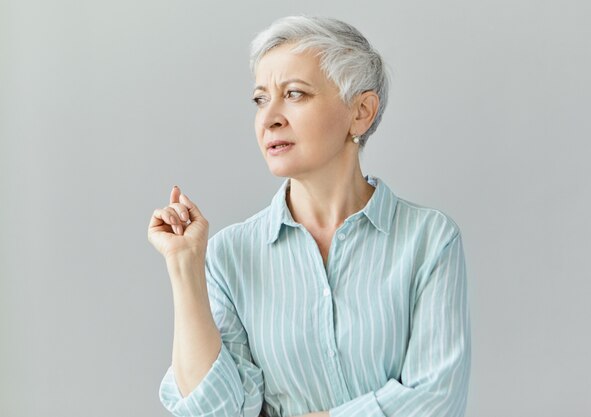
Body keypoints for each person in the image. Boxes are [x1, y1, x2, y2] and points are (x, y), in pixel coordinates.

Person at [148, 16, 470, 417]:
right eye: (260, 99)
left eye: (295, 94)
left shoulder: (428, 240)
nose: (270, 118)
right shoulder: (230, 255)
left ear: (361, 112)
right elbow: (216, 411)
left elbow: (437, 401)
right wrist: (184, 267)